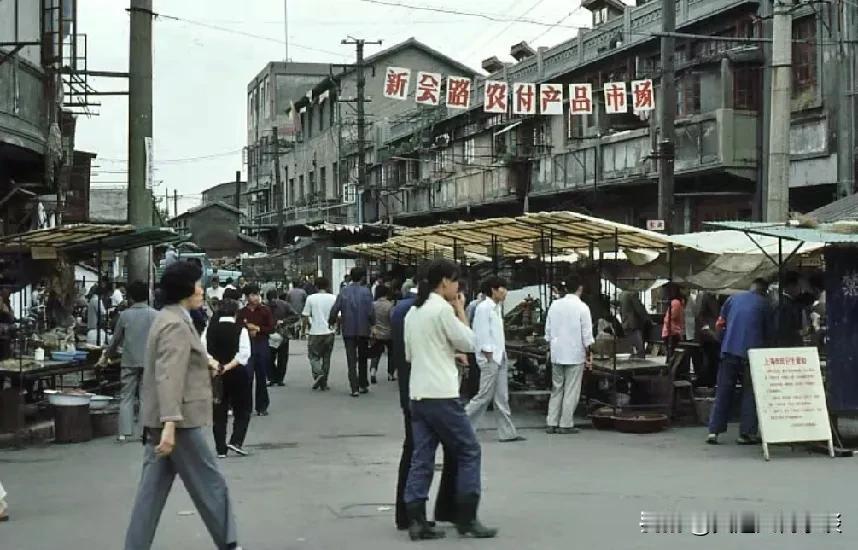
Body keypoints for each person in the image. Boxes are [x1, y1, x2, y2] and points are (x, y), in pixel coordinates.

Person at [124, 261, 243, 550]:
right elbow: (169, 375)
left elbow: (181, 360)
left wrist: (207, 361)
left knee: (150, 494)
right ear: (186, 289)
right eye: (198, 284)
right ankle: (229, 543)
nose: (202, 290)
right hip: (179, 422)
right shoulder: (175, 324)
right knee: (211, 484)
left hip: (164, 420)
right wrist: (170, 424)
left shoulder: (170, 317)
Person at [403, 259, 496, 540]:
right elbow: (470, 342)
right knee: (469, 450)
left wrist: (445, 352)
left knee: (422, 456)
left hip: (418, 393)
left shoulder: (414, 312)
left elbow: (410, 354)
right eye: (456, 281)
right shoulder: (442, 310)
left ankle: (416, 519)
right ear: (444, 282)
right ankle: (466, 516)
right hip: (442, 394)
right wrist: (459, 309)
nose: (458, 288)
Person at [391, 271, 458, 531]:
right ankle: (448, 508)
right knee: (457, 448)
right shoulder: (430, 311)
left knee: (413, 451)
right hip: (435, 392)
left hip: (410, 390)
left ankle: (406, 513)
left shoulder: (402, 310)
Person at [706, 278, 773, 446]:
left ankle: (713, 431)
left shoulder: (732, 299)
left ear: (751, 287)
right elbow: (769, 332)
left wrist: (724, 341)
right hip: (752, 353)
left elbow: (720, 324)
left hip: (729, 350)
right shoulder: (765, 304)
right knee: (750, 392)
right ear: (764, 291)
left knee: (723, 390)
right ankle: (747, 433)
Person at [464, 277, 524, 443]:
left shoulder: (496, 308)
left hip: (499, 356)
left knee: (501, 397)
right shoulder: (484, 308)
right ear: (493, 290)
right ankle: (460, 426)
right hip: (490, 358)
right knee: (484, 396)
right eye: (502, 288)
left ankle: (507, 433)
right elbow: (481, 332)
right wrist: (488, 353)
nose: (506, 292)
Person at [101, 281, 157, 442]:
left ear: (130, 297)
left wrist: (106, 356)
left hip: (129, 360)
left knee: (126, 396)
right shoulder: (155, 315)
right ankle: (144, 431)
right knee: (146, 396)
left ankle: (124, 432)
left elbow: (115, 340)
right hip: (149, 361)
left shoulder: (125, 315)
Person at [544, 275, 595, 434]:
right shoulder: (582, 307)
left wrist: (550, 348)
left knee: (557, 388)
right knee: (571, 390)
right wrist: (589, 354)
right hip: (574, 354)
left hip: (557, 353)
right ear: (580, 288)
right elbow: (587, 335)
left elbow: (547, 332)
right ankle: (565, 424)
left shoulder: (554, 305)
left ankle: (551, 422)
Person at [203, 298, 252, 458]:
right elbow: (244, 354)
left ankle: (220, 448)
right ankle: (236, 440)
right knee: (243, 409)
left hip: (216, 374)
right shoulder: (240, 329)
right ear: (235, 312)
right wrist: (228, 366)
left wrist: (217, 365)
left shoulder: (210, 329)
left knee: (219, 411)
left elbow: (204, 351)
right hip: (237, 373)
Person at [329, 266, 375, 397]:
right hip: (363, 329)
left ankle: (354, 387)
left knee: (351, 359)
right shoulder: (366, 292)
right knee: (363, 357)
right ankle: (363, 384)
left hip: (348, 329)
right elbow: (371, 311)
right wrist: (373, 324)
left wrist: (331, 321)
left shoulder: (344, 291)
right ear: (362, 278)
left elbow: (335, 308)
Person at [237, 285, 275, 416]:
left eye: (257, 294)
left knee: (261, 377)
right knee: (247, 377)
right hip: (246, 347)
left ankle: (262, 406)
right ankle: (246, 407)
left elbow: (271, 328)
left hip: (261, 345)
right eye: (252, 295)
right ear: (247, 297)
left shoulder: (265, 310)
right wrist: (247, 328)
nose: (256, 297)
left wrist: (258, 329)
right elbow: (237, 327)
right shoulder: (242, 312)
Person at [303, 277, 337, 390]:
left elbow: (306, 316)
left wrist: (303, 331)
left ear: (316, 286)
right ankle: (324, 383)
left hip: (315, 331)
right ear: (327, 286)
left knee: (313, 356)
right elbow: (338, 316)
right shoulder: (333, 298)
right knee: (326, 358)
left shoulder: (311, 298)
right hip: (329, 332)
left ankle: (318, 373)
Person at [266, 289, 295, 387]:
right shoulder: (285, 305)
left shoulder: (264, 306)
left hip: (269, 334)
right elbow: (295, 316)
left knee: (269, 357)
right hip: (283, 333)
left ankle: (272, 377)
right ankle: (279, 378)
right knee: (282, 358)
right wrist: (284, 321)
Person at [694, 292, 721, 387]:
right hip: (708, 335)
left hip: (717, 334)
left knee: (714, 360)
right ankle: (704, 382)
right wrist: (707, 329)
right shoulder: (705, 296)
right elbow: (699, 315)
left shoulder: (721, 296)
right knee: (708, 360)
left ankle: (711, 383)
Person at [369, 284, 395, 383]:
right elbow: (392, 319)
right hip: (389, 333)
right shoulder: (390, 305)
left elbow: (370, 318)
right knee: (391, 353)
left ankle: (373, 371)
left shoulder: (373, 305)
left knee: (375, 353)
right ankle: (390, 374)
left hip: (376, 333)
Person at [619, 290, 649, 358]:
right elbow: (640, 309)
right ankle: (639, 362)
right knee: (640, 349)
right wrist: (648, 319)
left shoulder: (622, 294)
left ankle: (633, 360)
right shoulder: (632, 294)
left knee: (632, 346)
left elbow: (620, 311)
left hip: (626, 323)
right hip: (633, 324)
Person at [661, 283, 685, 362]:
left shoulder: (675, 302)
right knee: (671, 355)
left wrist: (665, 319)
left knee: (671, 355)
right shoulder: (677, 302)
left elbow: (671, 317)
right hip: (672, 331)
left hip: (672, 331)